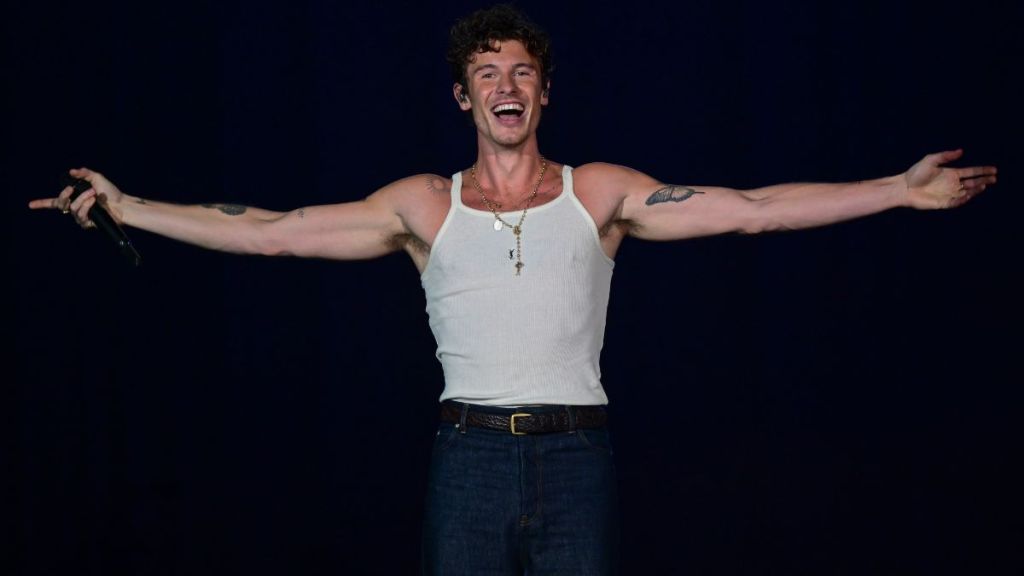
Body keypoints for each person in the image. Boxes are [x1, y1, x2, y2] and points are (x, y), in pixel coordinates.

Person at [29, 4, 996, 575]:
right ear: (464, 97)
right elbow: (276, 234)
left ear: (542, 94)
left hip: (579, 457)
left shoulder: (603, 193)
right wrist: (133, 204)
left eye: (522, 71)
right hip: (470, 460)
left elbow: (750, 208)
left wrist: (897, 192)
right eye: (487, 72)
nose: (506, 84)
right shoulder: (422, 206)